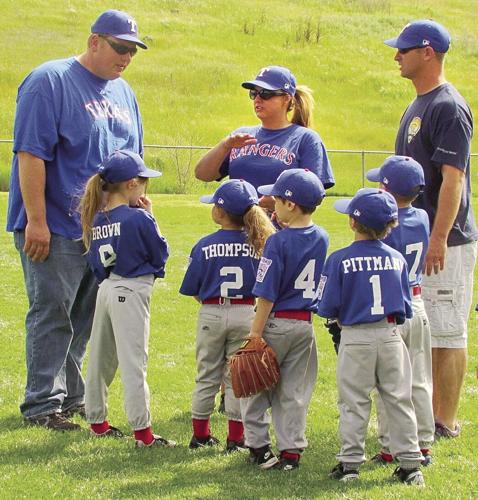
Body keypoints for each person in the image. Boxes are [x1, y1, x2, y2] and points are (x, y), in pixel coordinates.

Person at [6, 9, 147, 430]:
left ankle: (70, 397)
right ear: (94, 41)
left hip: (102, 228)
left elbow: (131, 162)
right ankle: (41, 404)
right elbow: (30, 154)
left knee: (85, 315)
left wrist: (138, 200)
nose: (125, 57)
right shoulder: (49, 81)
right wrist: (36, 220)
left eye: (132, 51)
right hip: (55, 224)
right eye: (119, 47)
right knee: (53, 312)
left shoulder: (124, 93)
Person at [385, 20, 478, 438]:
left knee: (446, 329)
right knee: (421, 327)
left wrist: (438, 238)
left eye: (403, 50)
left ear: (427, 52)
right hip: (414, 237)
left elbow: (453, 178)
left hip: (447, 241)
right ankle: (423, 413)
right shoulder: (417, 104)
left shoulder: (447, 106)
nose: (396, 56)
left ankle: (444, 421)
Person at [317, 188, 424, 486]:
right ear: (392, 225)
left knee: (353, 401)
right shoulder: (397, 259)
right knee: (399, 399)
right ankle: (411, 465)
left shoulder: (339, 259)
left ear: (353, 223)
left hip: (356, 336)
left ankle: (350, 464)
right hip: (391, 335)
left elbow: (327, 306)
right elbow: (404, 307)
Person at [80, 150, 175, 448]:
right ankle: (144, 435)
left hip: (106, 289)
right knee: (135, 363)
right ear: (132, 183)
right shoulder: (138, 218)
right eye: (143, 182)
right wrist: (150, 216)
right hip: (131, 290)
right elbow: (160, 255)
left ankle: (97, 422)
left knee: (99, 360)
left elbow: (96, 265)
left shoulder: (97, 218)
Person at [241, 169, 329, 471]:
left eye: (276, 200)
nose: (272, 206)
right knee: (293, 392)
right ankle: (291, 452)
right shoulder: (322, 237)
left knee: (255, 388)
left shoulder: (277, 242)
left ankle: (259, 447)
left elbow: (266, 293)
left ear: (290, 204)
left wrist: (255, 332)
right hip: (304, 325)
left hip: (276, 323)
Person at [179, 179, 275, 452]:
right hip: (246, 312)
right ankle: (236, 438)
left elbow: (193, 289)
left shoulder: (204, 244)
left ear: (220, 212)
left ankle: (200, 435)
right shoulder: (258, 244)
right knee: (237, 379)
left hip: (211, 311)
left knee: (207, 375)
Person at [366, 156, 434, 466]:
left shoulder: (385, 228)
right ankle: (423, 443)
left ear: (387, 188)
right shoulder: (421, 217)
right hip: (417, 303)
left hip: (390, 308)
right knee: (418, 378)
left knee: (388, 383)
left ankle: (391, 447)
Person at [194, 65, 335, 212]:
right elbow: (202, 174)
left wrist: (280, 204)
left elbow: (314, 196)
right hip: (239, 231)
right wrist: (224, 145)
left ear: (286, 98)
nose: (258, 99)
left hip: (281, 232)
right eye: (254, 93)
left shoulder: (305, 139)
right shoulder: (240, 136)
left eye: (266, 93)